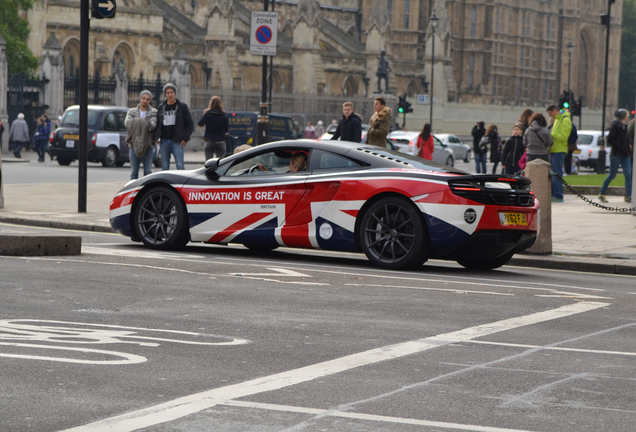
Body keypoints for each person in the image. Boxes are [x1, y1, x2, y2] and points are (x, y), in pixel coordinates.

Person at [155, 83, 195, 170]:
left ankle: (181, 184)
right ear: (165, 94)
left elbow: (190, 123)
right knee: (164, 167)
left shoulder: (182, 107)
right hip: (164, 141)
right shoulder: (161, 107)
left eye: (172, 92)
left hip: (177, 141)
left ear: (175, 93)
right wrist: (156, 137)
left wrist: (185, 138)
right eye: (168, 93)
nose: (170, 95)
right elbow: (158, 123)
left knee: (180, 166)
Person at [599, 109, 632, 203]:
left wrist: (629, 143)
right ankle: (602, 193)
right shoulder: (615, 126)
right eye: (627, 115)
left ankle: (628, 195)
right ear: (623, 116)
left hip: (625, 154)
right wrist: (620, 146)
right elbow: (610, 139)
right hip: (616, 154)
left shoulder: (624, 126)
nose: (628, 116)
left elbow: (626, 138)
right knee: (612, 175)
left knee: (628, 175)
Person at [125, 90, 158, 180]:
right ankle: (133, 191)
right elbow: (127, 123)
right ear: (140, 98)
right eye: (143, 98)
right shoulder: (132, 111)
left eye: (147, 99)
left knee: (148, 172)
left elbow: (152, 126)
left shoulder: (154, 112)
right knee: (134, 172)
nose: (145, 101)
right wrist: (144, 121)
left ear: (150, 101)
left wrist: (136, 122)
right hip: (134, 145)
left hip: (148, 146)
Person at [547, 104, 572, 202]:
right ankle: (554, 194)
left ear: (554, 111)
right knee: (553, 174)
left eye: (550, 113)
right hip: (554, 149)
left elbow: (564, 136)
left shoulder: (565, 120)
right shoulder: (557, 119)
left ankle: (558, 195)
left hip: (559, 150)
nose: (550, 116)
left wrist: (551, 134)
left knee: (557, 173)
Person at [198, 95, 229, 161]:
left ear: (211, 103)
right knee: (220, 163)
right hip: (221, 141)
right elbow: (226, 130)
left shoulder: (207, 114)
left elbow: (200, 123)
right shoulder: (225, 116)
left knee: (209, 163)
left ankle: (210, 171)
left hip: (209, 140)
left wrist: (205, 114)